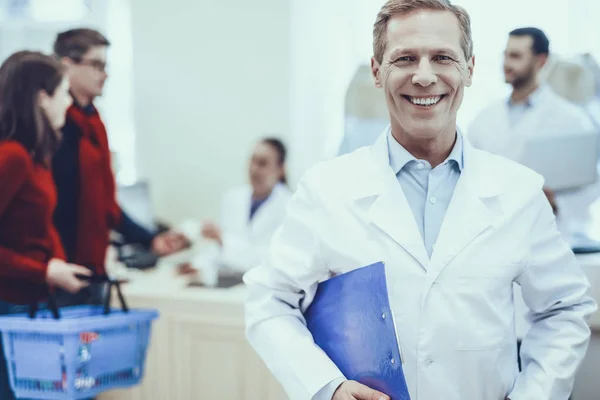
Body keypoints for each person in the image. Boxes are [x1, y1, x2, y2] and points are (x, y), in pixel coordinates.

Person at [243, 1, 596, 399]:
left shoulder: (519, 192)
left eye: (443, 57)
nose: (424, 76)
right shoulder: (327, 189)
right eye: (405, 58)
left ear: (470, 68)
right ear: (377, 72)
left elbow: (564, 310)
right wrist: (328, 387)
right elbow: (268, 300)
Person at [51, 28, 188, 305]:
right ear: (68, 66)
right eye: (96, 65)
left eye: (106, 66)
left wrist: (151, 238)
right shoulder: (55, 127)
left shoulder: (95, 124)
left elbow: (105, 204)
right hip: (59, 269)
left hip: (92, 268)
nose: (105, 74)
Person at [0, 51, 93, 400]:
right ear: (42, 99)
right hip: (10, 305)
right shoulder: (12, 157)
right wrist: (45, 270)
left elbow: (40, 225)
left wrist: (55, 264)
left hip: (32, 301)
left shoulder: (36, 155)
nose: (69, 104)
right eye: (64, 93)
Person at [468, 27, 595, 217]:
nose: (506, 63)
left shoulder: (573, 120)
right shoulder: (484, 119)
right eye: (506, 55)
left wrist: (557, 203)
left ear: (541, 61)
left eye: (516, 56)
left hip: (549, 228)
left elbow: (591, 186)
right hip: (492, 226)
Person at [196, 138, 292, 272]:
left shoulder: (290, 207)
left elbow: (273, 259)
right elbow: (217, 250)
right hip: (227, 283)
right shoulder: (232, 198)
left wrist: (223, 240)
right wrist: (198, 265)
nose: (254, 169)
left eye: (262, 163)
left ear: (281, 169)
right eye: (252, 161)